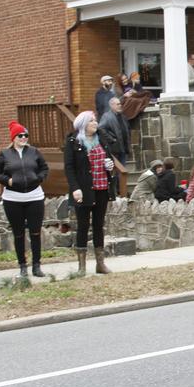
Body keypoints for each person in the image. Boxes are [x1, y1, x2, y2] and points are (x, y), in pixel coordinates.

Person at [0, 121, 49, 277]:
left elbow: (44, 168)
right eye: (20, 135)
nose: (24, 138)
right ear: (13, 137)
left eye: (25, 135)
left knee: (35, 232)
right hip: (13, 198)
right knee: (18, 233)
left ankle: (36, 265)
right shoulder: (5, 154)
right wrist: (8, 181)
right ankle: (22, 265)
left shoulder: (34, 152)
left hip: (34, 196)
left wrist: (38, 178)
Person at [64, 111, 116, 275]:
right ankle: (82, 266)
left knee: (99, 225)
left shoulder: (101, 138)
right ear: (83, 124)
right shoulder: (73, 142)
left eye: (95, 120)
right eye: (92, 121)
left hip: (101, 186)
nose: (96, 123)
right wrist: (75, 188)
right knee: (83, 226)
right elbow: (69, 168)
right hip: (84, 189)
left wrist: (110, 164)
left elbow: (109, 158)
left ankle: (100, 264)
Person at [99, 96, 131, 195]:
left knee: (123, 170)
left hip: (123, 148)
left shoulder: (122, 116)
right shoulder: (107, 116)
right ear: (112, 105)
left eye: (120, 104)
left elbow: (126, 130)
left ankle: (121, 190)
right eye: (117, 104)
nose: (120, 105)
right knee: (116, 172)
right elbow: (101, 128)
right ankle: (116, 191)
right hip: (114, 148)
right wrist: (111, 139)